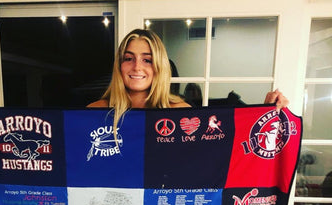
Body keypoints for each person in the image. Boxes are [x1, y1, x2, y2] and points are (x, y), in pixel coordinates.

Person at [88, 28, 289, 133]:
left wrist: (266, 112)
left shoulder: (180, 111)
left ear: (159, 66)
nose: (137, 67)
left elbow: (226, 141)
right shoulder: (94, 112)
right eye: (128, 58)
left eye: (147, 60)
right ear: (119, 65)